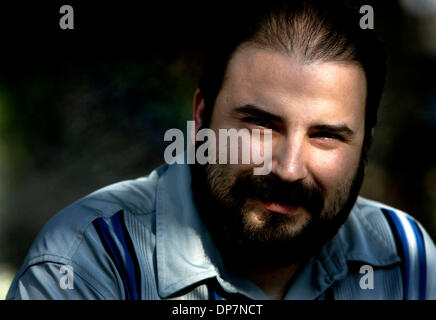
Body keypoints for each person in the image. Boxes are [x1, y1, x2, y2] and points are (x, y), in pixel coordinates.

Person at [6, 0, 436, 300]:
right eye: (262, 125)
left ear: (366, 147)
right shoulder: (88, 262)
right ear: (201, 116)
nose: (288, 169)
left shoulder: (403, 256)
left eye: (326, 135)